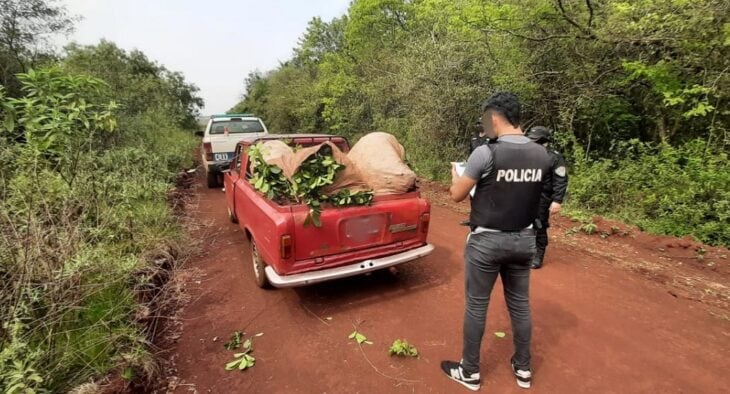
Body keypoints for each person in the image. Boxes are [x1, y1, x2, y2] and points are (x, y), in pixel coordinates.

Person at [441, 92, 552, 391]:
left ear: (493, 118)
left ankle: (471, 372)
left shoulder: (485, 153)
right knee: (520, 305)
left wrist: (455, 175)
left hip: (487, 242)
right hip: (524, 240)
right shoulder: (543, 155)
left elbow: (457, 194)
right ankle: (523, 368)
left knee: (477, 306)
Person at [525, 126, 568, 269]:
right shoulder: (526, 154)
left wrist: (557, 201)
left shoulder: (554, 157)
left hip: (542, 196)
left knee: (539, 224)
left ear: (543, 140)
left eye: (534, 140)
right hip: (525, 193)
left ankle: (538, 254)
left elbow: (560, 180)